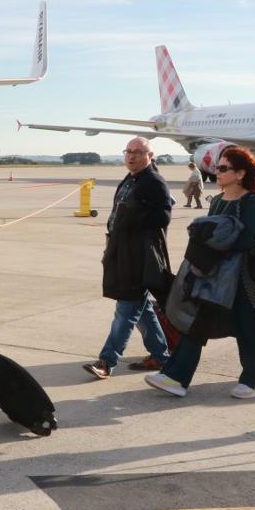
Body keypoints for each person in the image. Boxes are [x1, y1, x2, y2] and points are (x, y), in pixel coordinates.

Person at [146, 146, 255, 399]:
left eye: (223, 168)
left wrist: (214, 243)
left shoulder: (251, 200)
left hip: (244, 278)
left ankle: (253, 380)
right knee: (198, 324)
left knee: (251, 327)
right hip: (214, 276)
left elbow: (248, 239)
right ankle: (175, 377)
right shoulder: (216, 201)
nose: (217, 172)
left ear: (240, 174)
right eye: (217, 167)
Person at [83, 137, 173, 378]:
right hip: (122, 252)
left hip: (139, 257)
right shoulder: (132, 179)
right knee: (141, 308)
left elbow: (163, 217)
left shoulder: (154, 182)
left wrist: (135, 220)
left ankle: (106, 361)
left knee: (126, 309)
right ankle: (161, 356)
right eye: (128, 151)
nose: (131, 156)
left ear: (150, 156)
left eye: (138, 152)